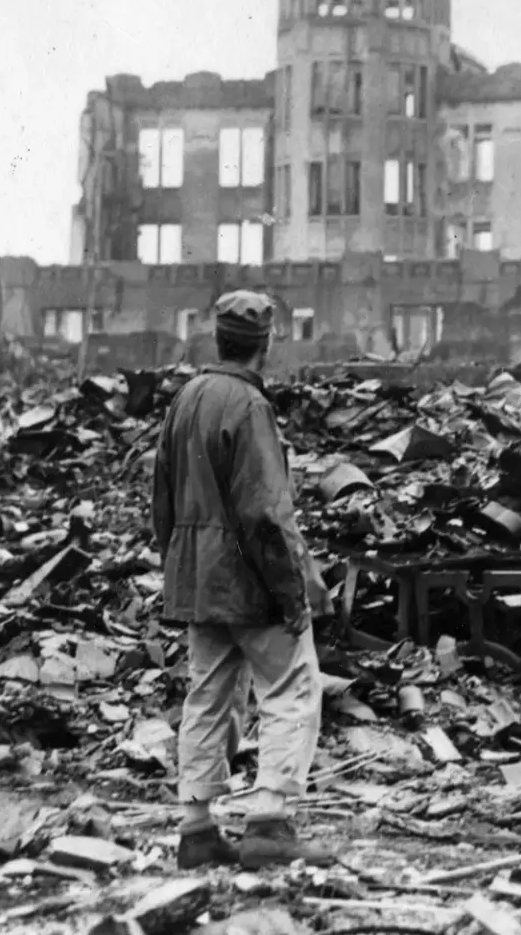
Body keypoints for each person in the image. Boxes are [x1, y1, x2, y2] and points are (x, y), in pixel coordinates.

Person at [152, 290, 334, 871]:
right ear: (266, 343)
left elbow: (162, 497)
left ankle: (197, 828)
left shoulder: (186, 398)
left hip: (197, 579)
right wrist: (292, 591)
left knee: (207, 695)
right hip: (248, 579)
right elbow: (264, 513)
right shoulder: (250, 406)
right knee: (291, 687)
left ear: (219, 338)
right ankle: (269, 822)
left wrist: (180, 565)